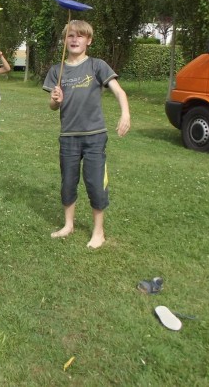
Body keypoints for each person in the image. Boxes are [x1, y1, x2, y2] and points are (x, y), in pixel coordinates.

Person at [42, 20, 130, 249]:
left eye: (80, 36)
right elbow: (52, 106)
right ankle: (68, 225)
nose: (74, 40)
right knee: (68, 183)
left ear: (88, 40)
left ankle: (98, 232)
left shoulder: (97, 65)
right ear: (64, 40)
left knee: (95, 183)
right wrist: (55, 100)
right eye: (70, 35)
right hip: (68, 136)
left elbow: (119, 92)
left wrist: (125, 114)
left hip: (94, 136)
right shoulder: (57, 70)